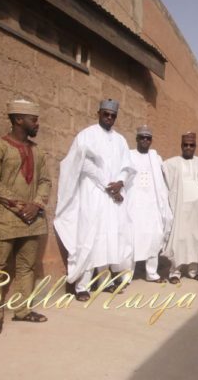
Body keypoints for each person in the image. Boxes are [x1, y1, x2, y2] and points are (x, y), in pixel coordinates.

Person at [0, 99, 51, 336]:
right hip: (4, 219)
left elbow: (45, 181)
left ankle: (22, 310)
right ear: (18, 119)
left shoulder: (38, 151)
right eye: (34, 120)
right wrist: (20, 205)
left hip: (32, 220)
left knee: (26, 267)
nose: (37, 124)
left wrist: (37, 204)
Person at [55, 99, 135, 302]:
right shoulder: (86, 135)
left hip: (112, 199)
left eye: (113, 115)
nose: (109, 118)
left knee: (109, 238)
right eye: (106, 114)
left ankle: (105, 281)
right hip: (92, 196)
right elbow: (81, 164)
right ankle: (82, 286)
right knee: (90, 238)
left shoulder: (120, 140)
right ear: (98, 113)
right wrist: (109, 187)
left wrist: (120, 182)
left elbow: (128, 166)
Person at [125, 125, 173, 283]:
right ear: (137, 139)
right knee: (132, 238)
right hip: (134, 204)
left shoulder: (156, 158)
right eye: (142, 137)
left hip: (152, 205)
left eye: (148, 138)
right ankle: (126, 275)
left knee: (154, 237)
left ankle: (151, 273)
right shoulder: (129, 156)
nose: (145, 140)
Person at [162, 132, 198, 284]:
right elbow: (162, 176)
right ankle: (175, 272)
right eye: (186, 145)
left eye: (192, 145)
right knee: (180, 239)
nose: (189, 148)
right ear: (181, 146)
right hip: (181, 209)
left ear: (195, 146)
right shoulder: (172, 163)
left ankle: (193, 271)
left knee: (196, 239)